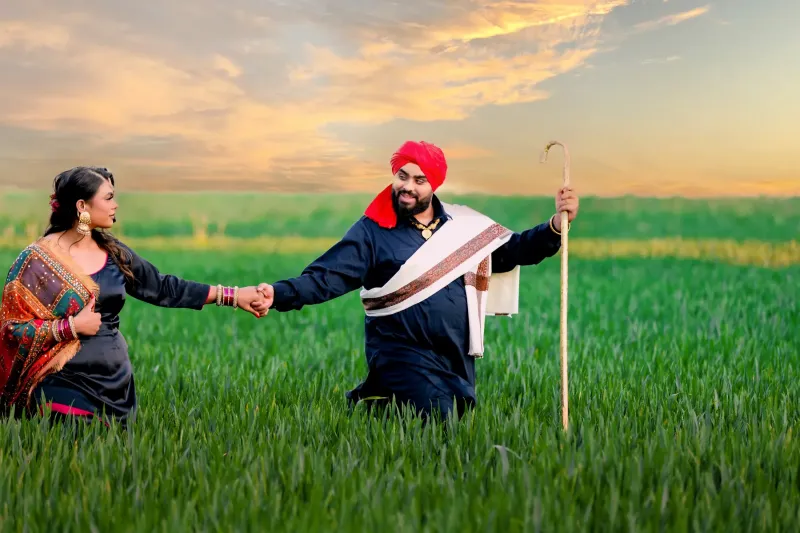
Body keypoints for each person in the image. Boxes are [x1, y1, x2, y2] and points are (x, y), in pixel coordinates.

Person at [252, 140, 580, 422]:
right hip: (399, 348)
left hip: (454, 354)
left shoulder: (464, 227)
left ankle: (373, 404)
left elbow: (513, 251)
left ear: (433, 185)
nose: (408, 186)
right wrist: (277, 293)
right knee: (439, 419)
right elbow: (325, 278)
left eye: (419, 180)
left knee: (455, 413)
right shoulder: (370, 231)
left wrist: (555, 224)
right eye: (402, 176)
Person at [0, 166, 268, 428]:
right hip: (61, 382)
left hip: (115, 387)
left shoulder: (114, 253)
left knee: (113, 454)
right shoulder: (37, 260)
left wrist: (233, 296)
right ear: (82, 206)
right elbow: (10, 330)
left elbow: (164, 288)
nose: (115, 204)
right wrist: (70, 327)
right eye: (108, 198)